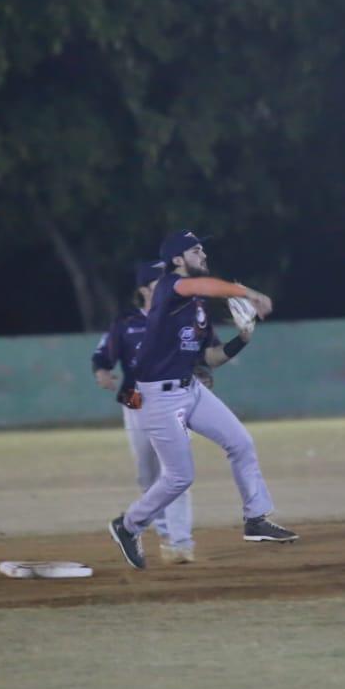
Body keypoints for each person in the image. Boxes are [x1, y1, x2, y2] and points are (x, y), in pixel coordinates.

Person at [107, 230, 294, 570]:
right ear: (178, 260)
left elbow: (209, 358)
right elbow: (203, 285)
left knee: (241, 443)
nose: (202, 254)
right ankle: (129, 525)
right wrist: (249, 293)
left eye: (203, 249)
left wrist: (243, 340)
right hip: (157, 397)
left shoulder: (197, 308)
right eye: (195, 250)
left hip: (189, 388)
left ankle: (256, 519)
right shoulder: (170, 286)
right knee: (179, 477)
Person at [92, 260, 199, 563]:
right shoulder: (126, 322)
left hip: (174, 400)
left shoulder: (183, 316)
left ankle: (180, 541)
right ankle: (164, 531)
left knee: (175, 471)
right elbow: (103, 354)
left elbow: (198, 351)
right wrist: (102, 372)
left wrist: (201, 370)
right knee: (147, 474)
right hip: (136, 400)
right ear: (144, 289)